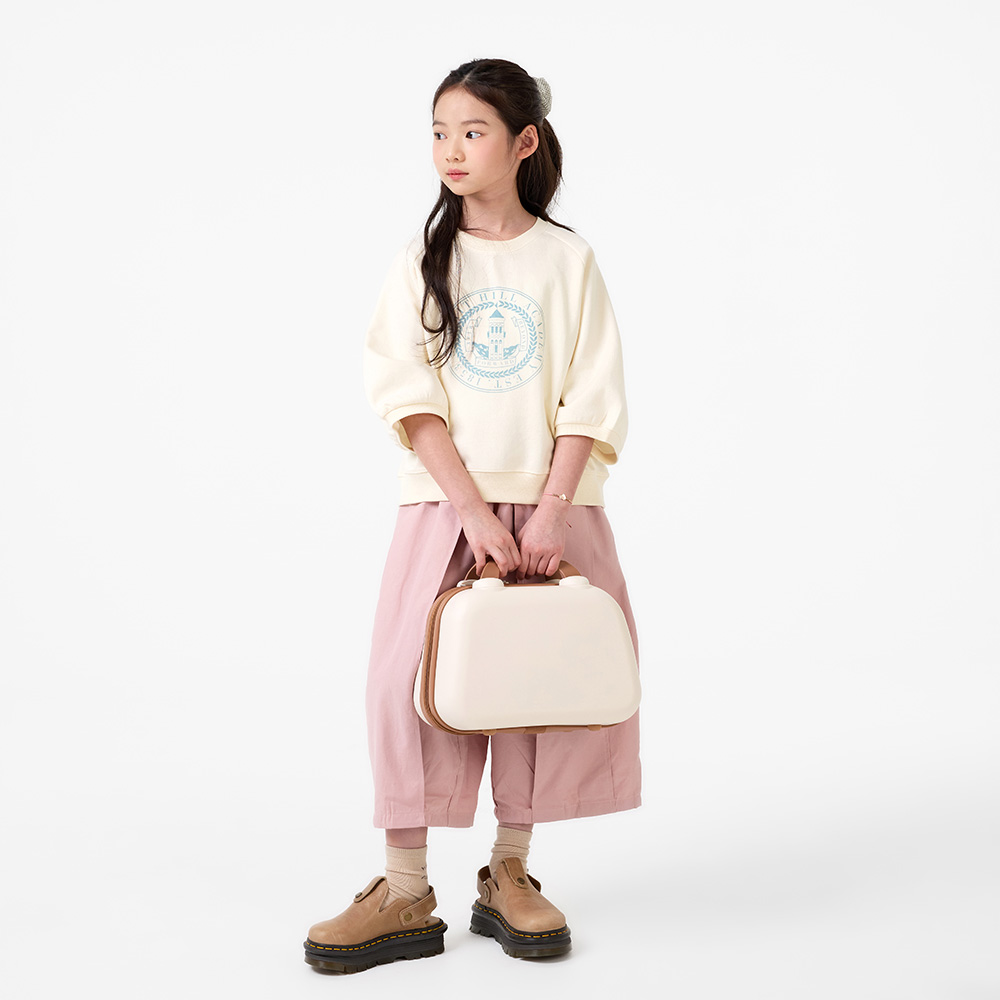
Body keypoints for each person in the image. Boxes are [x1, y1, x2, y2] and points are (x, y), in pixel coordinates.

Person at [303, 57, 641, 974]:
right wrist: (472, 513)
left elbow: (591, 394)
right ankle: (404, 887)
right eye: (439, 132)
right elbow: (407, 395)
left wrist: (549, 514)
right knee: (405, 683)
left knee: (531, 684)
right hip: (443, 502)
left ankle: (511, 871)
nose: (451, 150)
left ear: (524, 142)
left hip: (554, 504)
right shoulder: (424, 261)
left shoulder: (569, 260)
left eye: (473, 131)